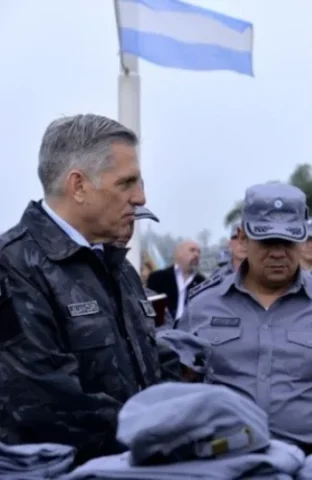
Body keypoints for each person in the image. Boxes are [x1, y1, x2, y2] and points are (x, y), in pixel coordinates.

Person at [0, 114, 161, 463]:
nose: (140, 197)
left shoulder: (118, 268)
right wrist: (162, 432)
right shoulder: (13, 267)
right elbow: (44, 402)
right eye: (127, 183)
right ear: (78, 186)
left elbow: (152, 366)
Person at [176, 183, 312, 454]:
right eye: (267, 241)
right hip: (225, 460)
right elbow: (180, 384)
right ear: (243, 238)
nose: (278, 252)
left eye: (288, 242)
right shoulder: (203, 305)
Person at [146, 239, 205, 320]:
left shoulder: (203, 282)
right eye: (192, 250)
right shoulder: (158, 277)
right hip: (163, 326)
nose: (196, 254)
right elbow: (151, 310)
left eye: (199, 252)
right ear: (178, 253)